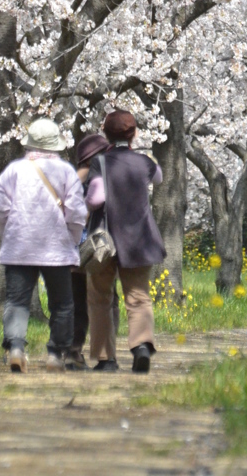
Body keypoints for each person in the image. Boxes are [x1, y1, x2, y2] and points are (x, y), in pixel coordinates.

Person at [0, 117, 87, 373]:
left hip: (19, 247)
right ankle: (56, 354)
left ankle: (16, 349)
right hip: (57, 249)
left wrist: (7, 233)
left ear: (29, 144)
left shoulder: (14, 170)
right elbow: (77, 211)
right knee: (62, 303)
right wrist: (73, 238)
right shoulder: (66, 171)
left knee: (16, 302)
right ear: (56, 144)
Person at [85, 109, 166, 374]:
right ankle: (142, 346)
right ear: (134, 134)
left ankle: (106, 359)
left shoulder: (101, 162)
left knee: (100, 298)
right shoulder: (145, 162)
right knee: (139, 296)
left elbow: (96, 199)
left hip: (104, 241)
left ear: (105, 134)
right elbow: (159, 178)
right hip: (139, 240)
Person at [64, 132, 119, 372]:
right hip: (92, 248)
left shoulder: (71, 177)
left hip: (69, 246)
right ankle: (107, 355)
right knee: (105, 299)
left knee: (75, 302)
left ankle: (72, 352)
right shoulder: (98, 176)